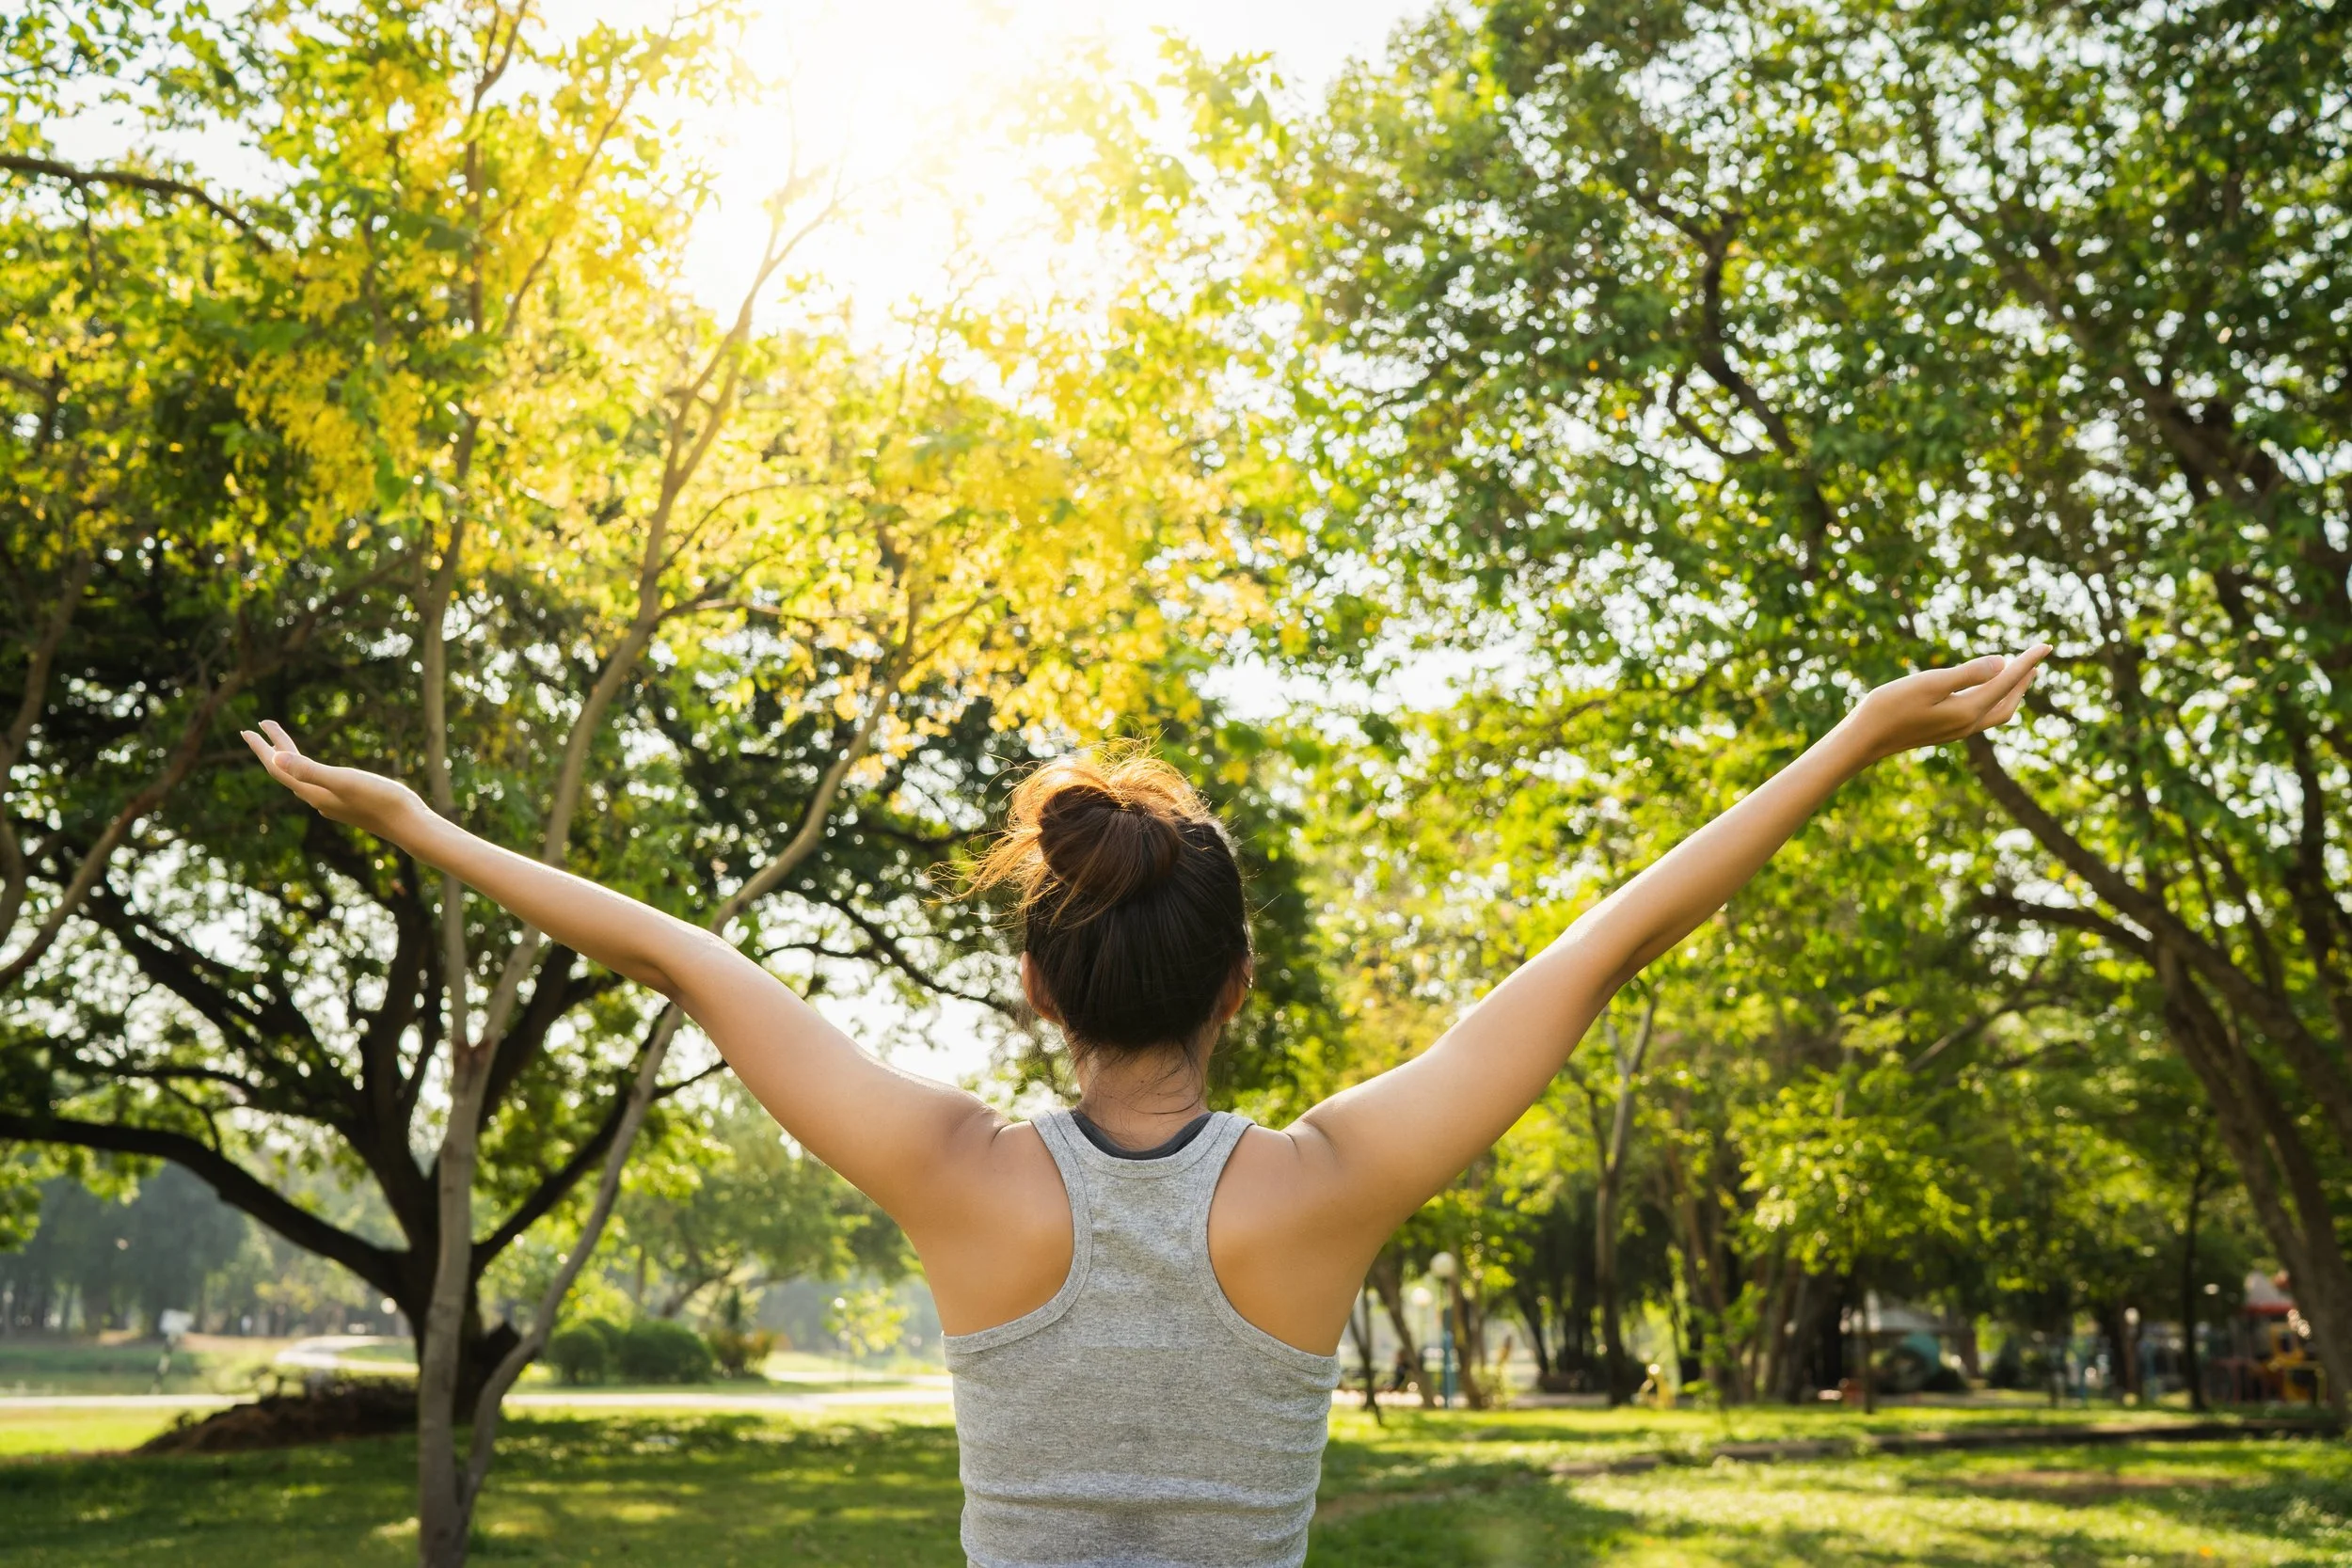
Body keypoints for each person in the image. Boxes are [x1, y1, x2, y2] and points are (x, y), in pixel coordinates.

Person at [242, 645, 2045, 1567]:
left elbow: (693, 961)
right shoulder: (1328, 1187)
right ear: (1239, 988)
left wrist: (423, 827)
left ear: (1036, 986)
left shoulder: (955, 1178)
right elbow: (1606, 946)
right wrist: (1853, 737)